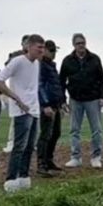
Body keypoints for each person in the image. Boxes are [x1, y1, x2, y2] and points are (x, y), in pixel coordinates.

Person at [0, 35, 45, 193]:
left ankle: (23, 176)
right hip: (21, 110)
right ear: (28, 47)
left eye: (43, 48)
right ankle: (11, 179)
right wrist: (15, 97)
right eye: (39, 47)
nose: (41, 51)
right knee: (19, 146)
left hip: (34, 109)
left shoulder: (37, 64)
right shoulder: (17, 61)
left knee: (30, 146)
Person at [60, 33, 103, 169]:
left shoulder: (94, 59)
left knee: (97, 129)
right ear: (73, 45)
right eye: (78, 43)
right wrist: (62, 100)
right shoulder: (67, 61)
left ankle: (96, 157)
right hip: (75, 99)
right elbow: (61, 81)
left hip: (93, 99)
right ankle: (75, 157)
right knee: (74, 129)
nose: (81, 45)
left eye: (83, 43)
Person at [36, 41, 67, 176]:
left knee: (55, 133)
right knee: (46, 134)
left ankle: (49, 160)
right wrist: (45, 104)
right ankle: (41, 163)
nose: (54, 53)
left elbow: (57, 85)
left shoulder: (51, 65)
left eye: (55, 50)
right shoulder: (41, 65)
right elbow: (40, 85)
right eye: (51, 50)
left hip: (55, 104)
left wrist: (62, 101)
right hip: (47, 105)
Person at [2, 35, 29, 154]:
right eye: (26, 43)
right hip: (16, 91)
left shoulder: (34, 57)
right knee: (16, 118)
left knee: (30, 118)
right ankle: (11, 142)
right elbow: (7, 66)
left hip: (29, 91)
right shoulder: (15, 55)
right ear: (22, 44)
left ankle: (28, 142)